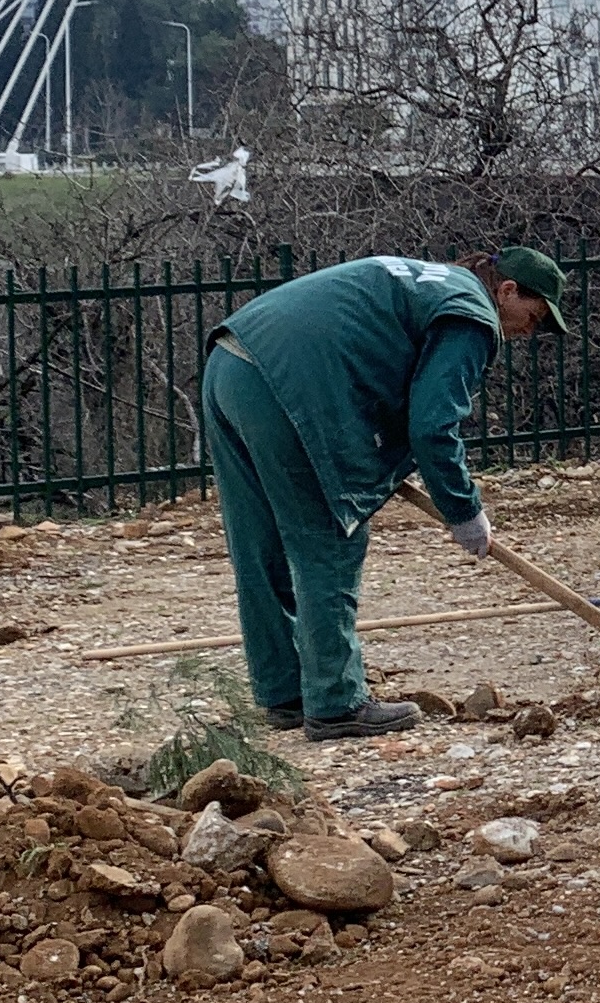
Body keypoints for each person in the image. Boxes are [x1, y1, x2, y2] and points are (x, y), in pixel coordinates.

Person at [201, 247, 569, 738]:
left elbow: (380, 376)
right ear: (506, 291)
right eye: (534, 315)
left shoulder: (432, 283)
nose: (529, 332)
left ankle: (284, 692)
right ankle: (335, 702)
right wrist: (464, 511)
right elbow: (434, 426)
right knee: (329, 539)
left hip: (230, 363)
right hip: (288, 386)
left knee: (259, 542)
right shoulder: (472, 315)